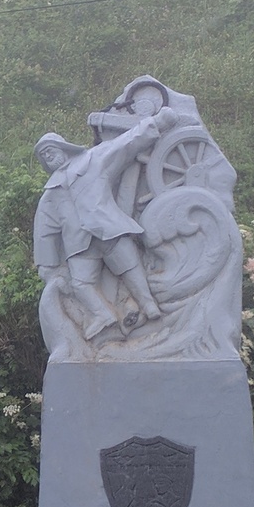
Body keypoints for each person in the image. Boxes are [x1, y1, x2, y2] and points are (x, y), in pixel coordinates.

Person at [33, 106, 179, 340]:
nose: (49, 157)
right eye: (44, 157)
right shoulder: (50, 194)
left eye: (50, 151)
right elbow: (45, 232)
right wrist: (46, 266)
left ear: (63, 148)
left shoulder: (92, 160)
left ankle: (149, 305)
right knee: (80, 284)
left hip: (108, 228)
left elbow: (126, 143)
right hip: (79, 246)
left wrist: (157, 123)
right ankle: (103, 316)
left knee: (131, 266)